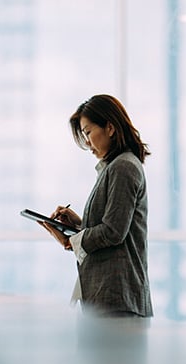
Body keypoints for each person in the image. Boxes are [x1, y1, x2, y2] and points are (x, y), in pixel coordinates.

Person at [39, 94, 153, 317]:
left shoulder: (123, 168)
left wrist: (72, 241)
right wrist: (79, 224)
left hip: (118, 300)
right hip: (111, 298)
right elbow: (115, 226)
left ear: (110, 128)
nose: (87, 142)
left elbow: (113, 232)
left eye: (88, 132)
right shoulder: (116, 167)